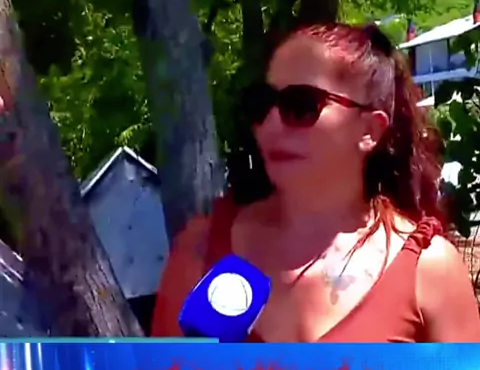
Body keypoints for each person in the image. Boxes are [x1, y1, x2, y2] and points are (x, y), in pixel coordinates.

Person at [151, 22, 480, 343]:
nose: (270, 124)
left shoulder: (430, 271)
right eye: (261, 104)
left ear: (370, 130)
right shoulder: (200, 251)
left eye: (302, 105)